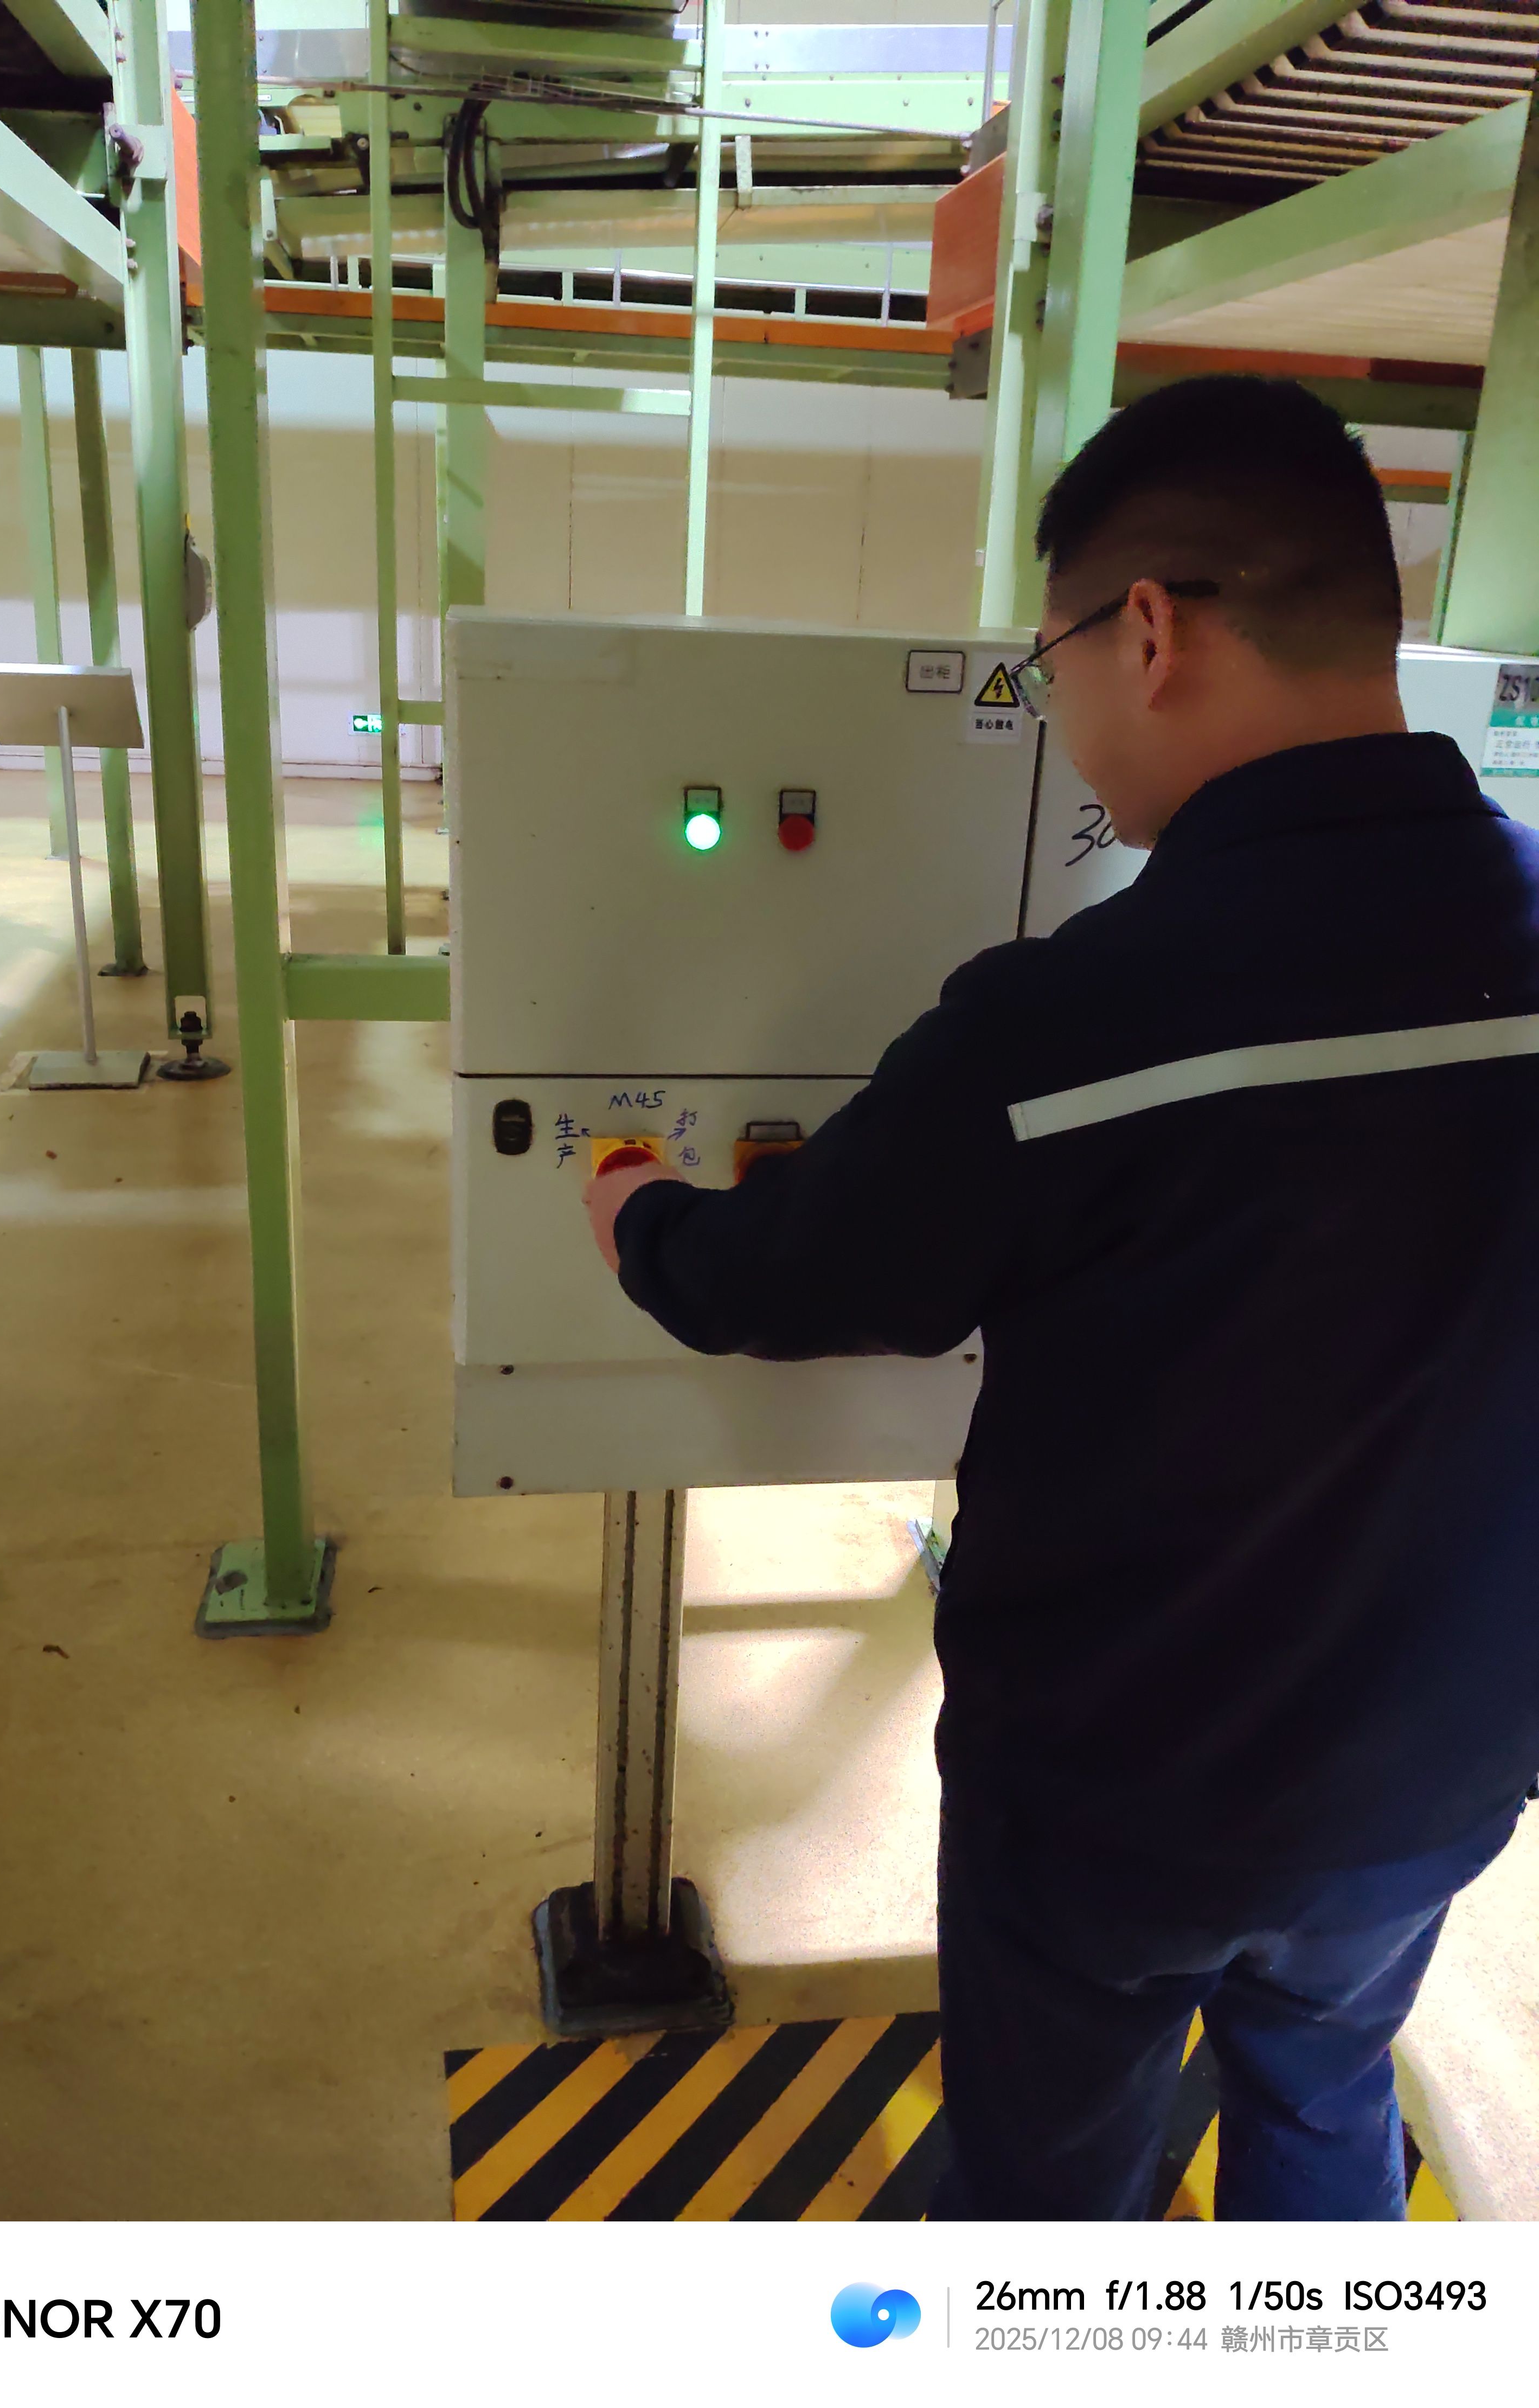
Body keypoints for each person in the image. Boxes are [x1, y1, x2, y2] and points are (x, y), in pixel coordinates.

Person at [581, 374, 1539, 2223]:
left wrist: (637, 1214)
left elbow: (789, 1278)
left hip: (1121, 1795)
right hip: (1441, 1768)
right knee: (1328, 2086)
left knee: (1053, 2185)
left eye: (1050, 667)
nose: (1063, 722)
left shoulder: (1068, 1025)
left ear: (1149, 631)